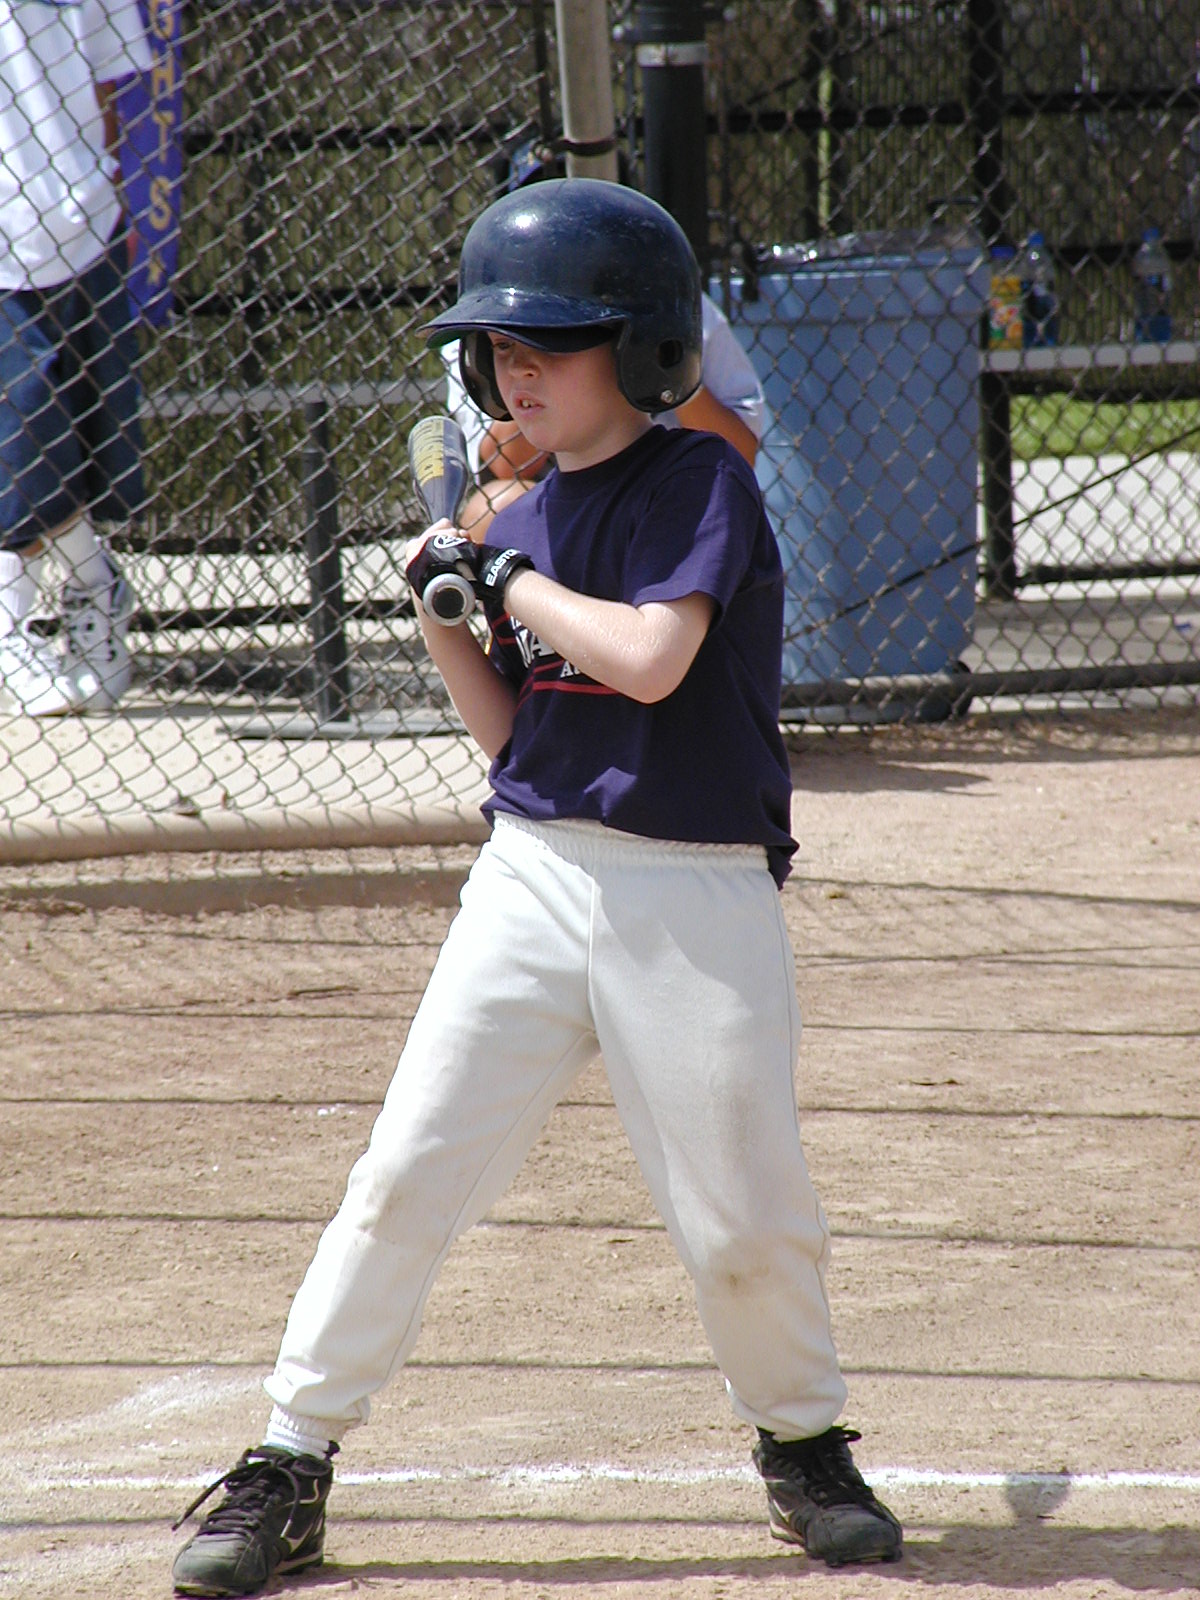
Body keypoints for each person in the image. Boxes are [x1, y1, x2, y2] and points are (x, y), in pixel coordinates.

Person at [171, 179, 903, 1598]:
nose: (518, 373)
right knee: (407, 1169)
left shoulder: (697, 485)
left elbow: (650, 662)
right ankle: (289, 1459)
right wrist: (443, 608)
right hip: (532, 872)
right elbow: (520, 741)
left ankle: (805, 1443)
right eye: (501, 349)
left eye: (552, 346)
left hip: (691, 890)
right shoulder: (532, 517)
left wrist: (503, 575)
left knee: (742, 1215)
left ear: (641, 349)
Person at [443, 139, 765, 540]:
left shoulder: (671, 301)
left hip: (662, 488)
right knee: (494, 506)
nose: (558, 227)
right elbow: (506, 464)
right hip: (554, 499)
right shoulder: (485, 319)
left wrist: (662, 363)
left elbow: (739, 455)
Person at [0, 0, 150, 716]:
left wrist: (107, 199)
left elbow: (105, 82)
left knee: (80, 446)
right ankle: (14, 631)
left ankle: (95, 584)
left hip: (81, 226)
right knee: (18, 446)